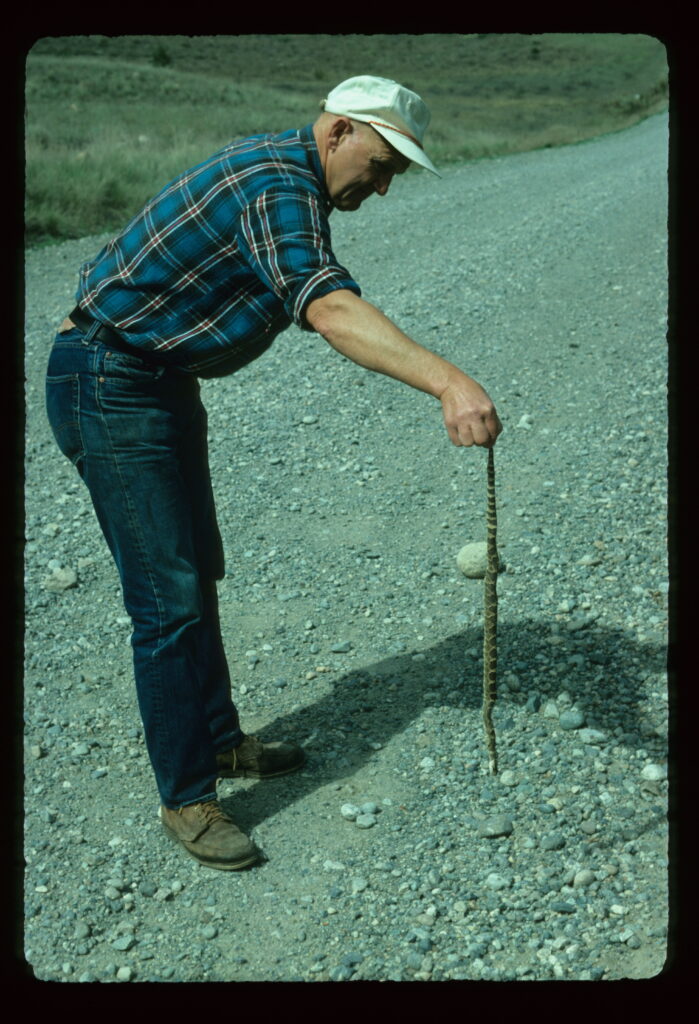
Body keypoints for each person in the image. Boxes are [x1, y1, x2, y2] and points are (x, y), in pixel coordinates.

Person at [45, 76, 502, 872]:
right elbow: (325, 306)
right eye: (383, 161)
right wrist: (448, 382)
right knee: (168, 601)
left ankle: (218, 741)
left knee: (197, 575)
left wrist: (95, 310)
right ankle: (187, 797)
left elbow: (156, 248)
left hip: (145, 378)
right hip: (113, 385)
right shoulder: (276, 183)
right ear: (337, 134)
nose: (385, 184)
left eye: (396, 170)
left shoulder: (280, 175)